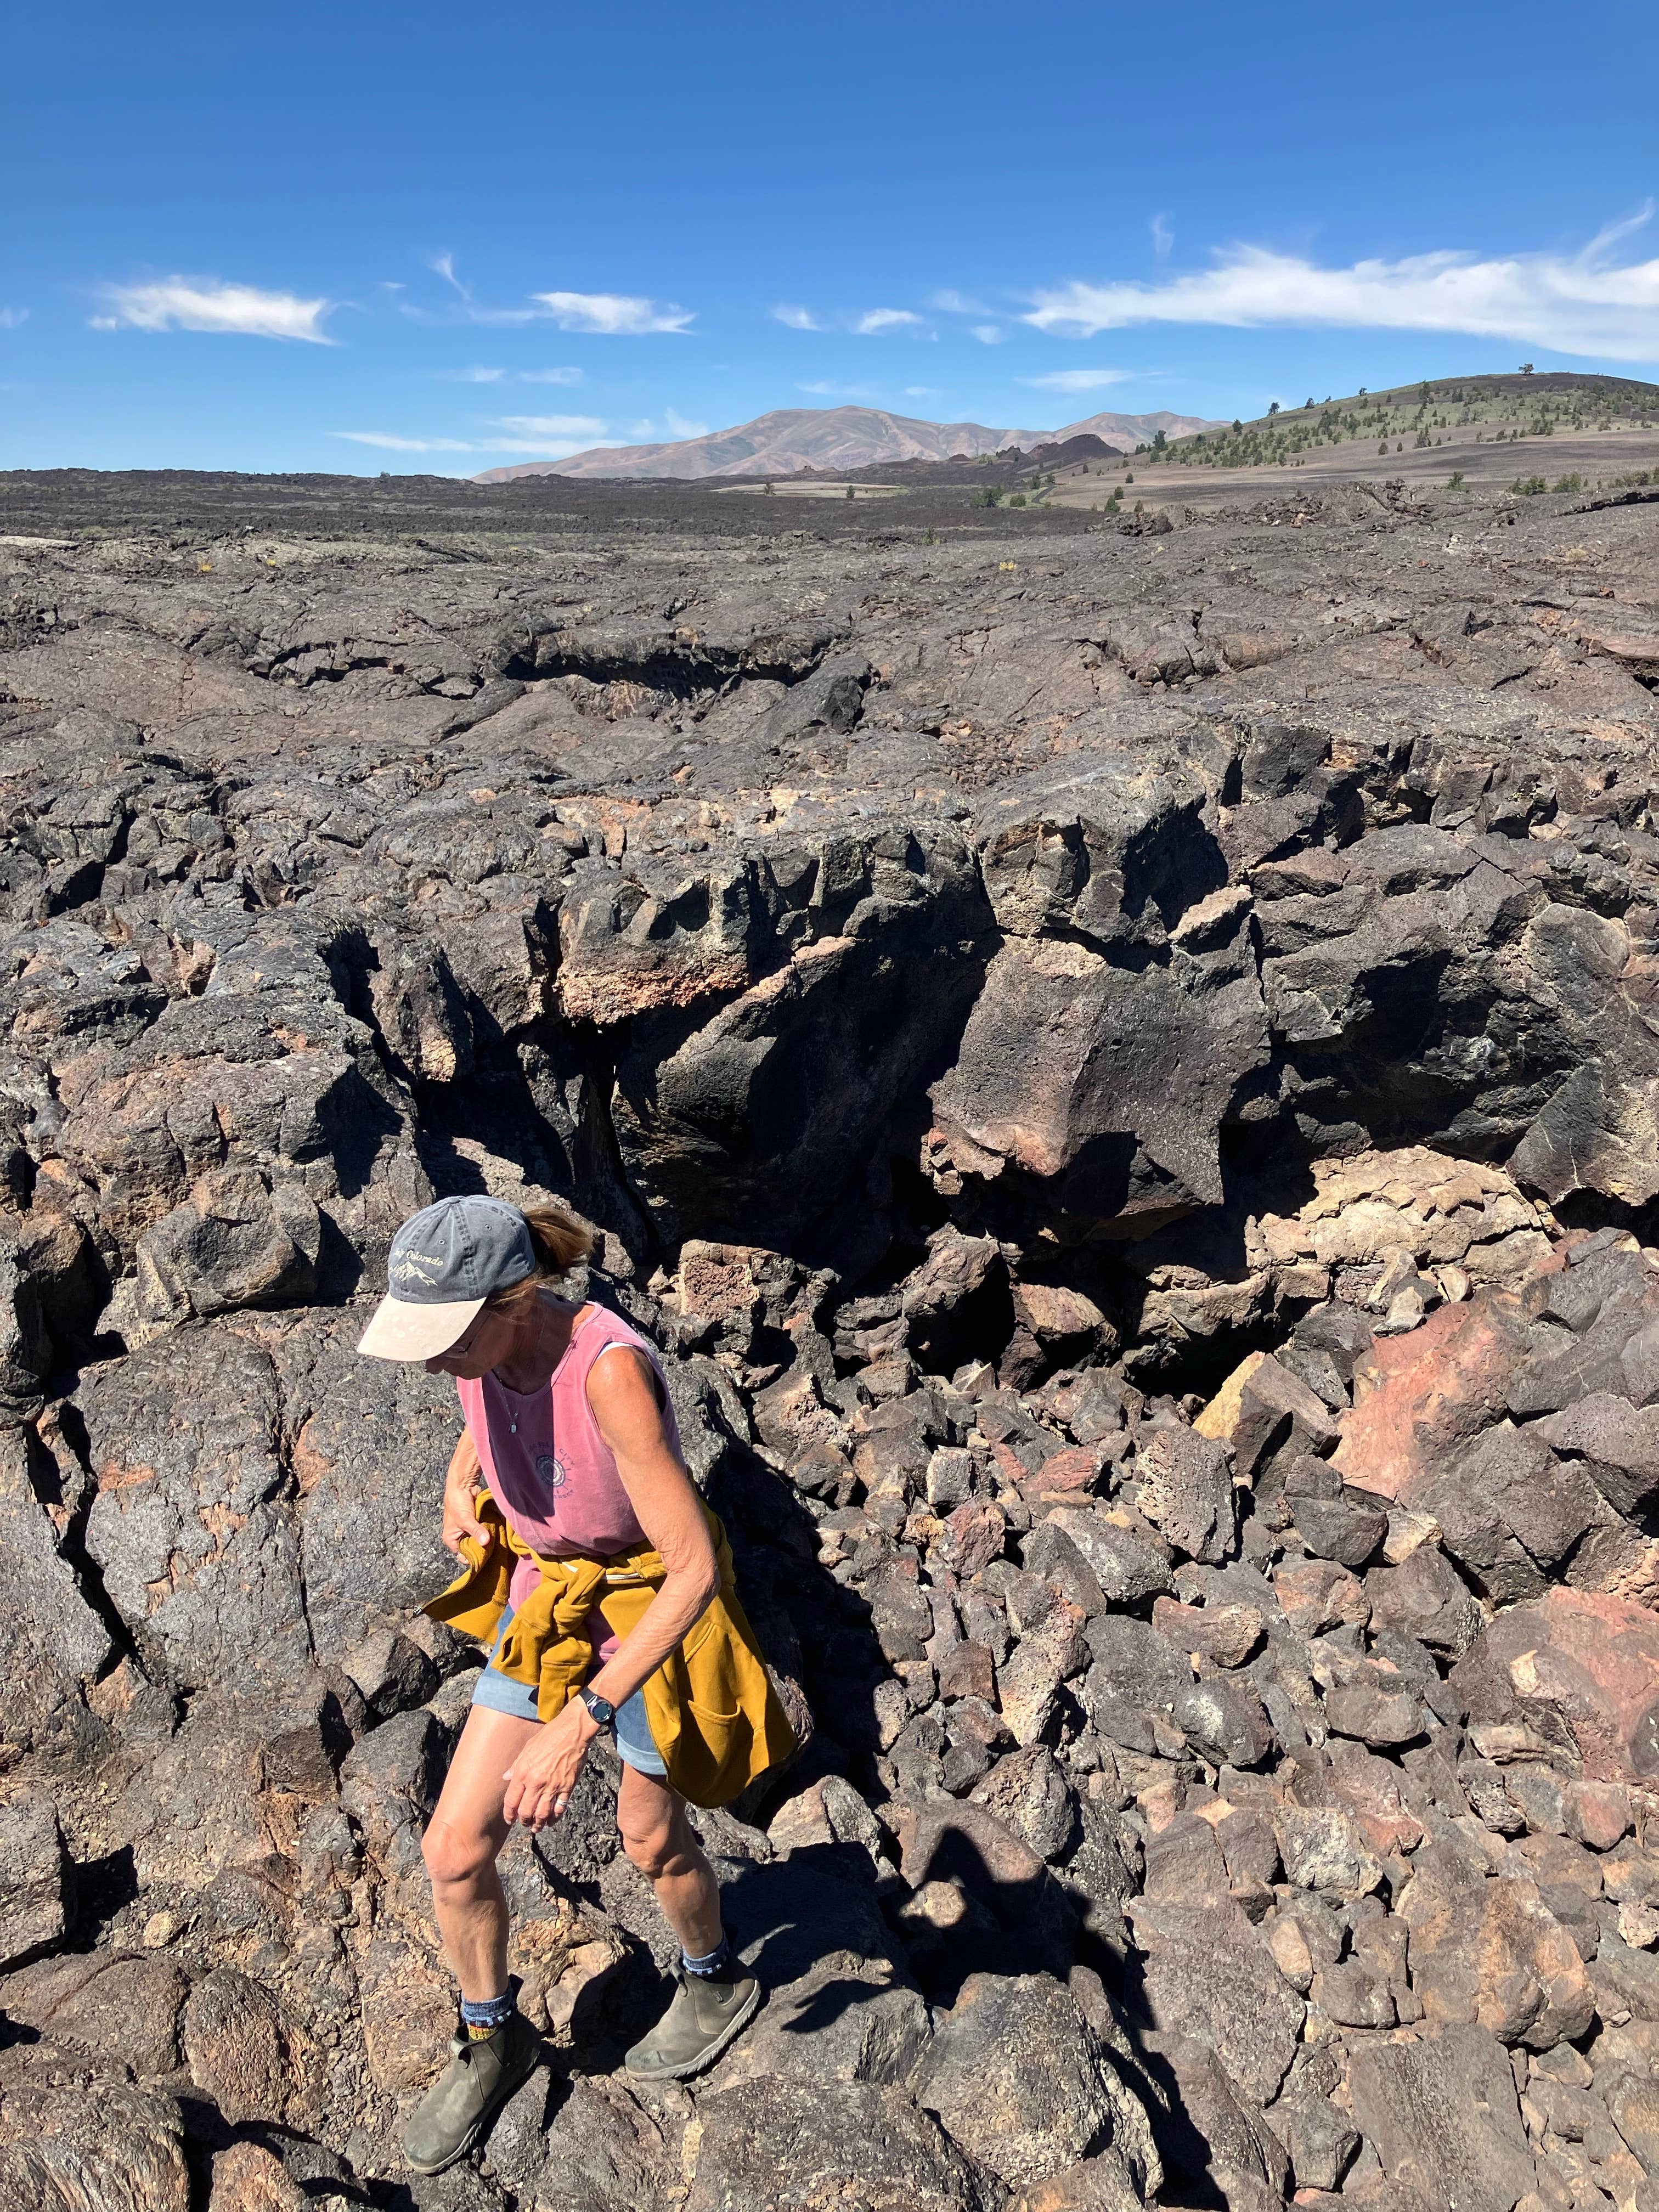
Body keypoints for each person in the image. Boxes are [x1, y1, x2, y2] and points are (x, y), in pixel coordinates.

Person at [357, 1193, 795, 2176]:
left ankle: (714, 1977)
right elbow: (485, 1402)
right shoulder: (483, 1346)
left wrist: (582, 1722)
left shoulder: (611, 1375)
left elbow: (693, 1571)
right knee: (455, 1848)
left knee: (647, 1834)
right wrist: (462, 1478)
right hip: (550, 1598)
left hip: (647, 1604)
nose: (430, 1360)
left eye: (445, 1338)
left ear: (515, 1300)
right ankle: (490, 2037)